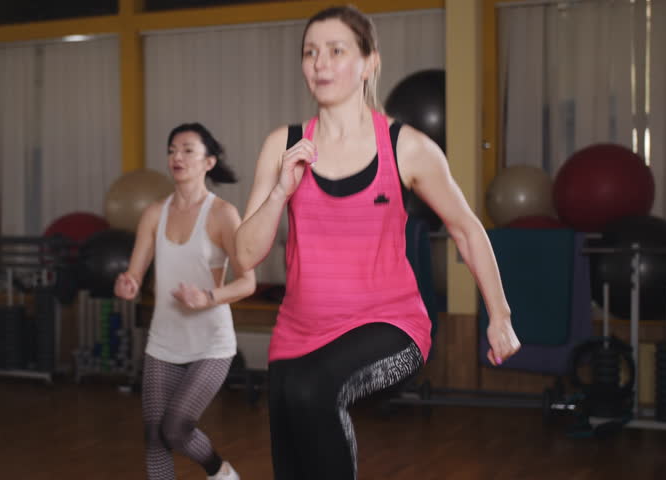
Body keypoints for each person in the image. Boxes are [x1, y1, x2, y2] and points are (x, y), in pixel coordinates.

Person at [235, 6, 520, 479]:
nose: (320, 63)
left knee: (313, 390)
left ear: (369, 63)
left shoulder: (406, 147)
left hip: (392, 328)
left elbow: (467, 228)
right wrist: (282, 190)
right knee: (291, 435)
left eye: (336, 50)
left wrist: (500, 316)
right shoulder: (281, 146)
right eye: (310, 53)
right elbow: (246, 254)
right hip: (297, 335)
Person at [115, 123, 255, 480]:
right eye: (172, 150)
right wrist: (128, 284)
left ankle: (219, 472)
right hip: (164, 341)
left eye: (187, 150)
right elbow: (135, 273)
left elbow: (247, 282)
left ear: (208, 162)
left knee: (175, 428)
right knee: (153, 435)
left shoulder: (222, 213)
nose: (177, 157)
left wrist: (206, 296)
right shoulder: (153, 213)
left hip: (211, 344)